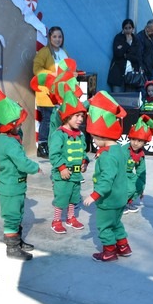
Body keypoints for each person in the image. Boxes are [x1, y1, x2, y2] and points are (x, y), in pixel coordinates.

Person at [0, 85, 42, 260]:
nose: (20, 128)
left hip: (16, 187)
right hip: (10, 188)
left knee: (17, 214)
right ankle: (12, 248)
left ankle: (17, 241)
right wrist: (35, 167)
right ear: (9, 126)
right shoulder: (9, 143)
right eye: (17, 125)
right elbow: (21, 161)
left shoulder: (8, 138)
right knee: (12, 216)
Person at [82, 91, 131, 262]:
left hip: (108, 200)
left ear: (103, 135)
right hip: (120, 198)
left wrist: (95, 195)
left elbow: (107, 179)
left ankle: (109, 251)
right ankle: (124, 247)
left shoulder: (107, 156)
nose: (94, 141)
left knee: (104, 226)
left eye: (95, 137)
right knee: (116, 223)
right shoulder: (118, 149)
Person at [48, 90, 89, 234]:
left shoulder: (80, 135)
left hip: (77, 175)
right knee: (61, 197)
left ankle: (70, 218)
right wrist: (61, 167)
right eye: (77, 116)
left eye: (82, 116)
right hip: (63, 175)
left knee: (74, 197)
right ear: (67, 117)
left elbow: (83, 151)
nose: (80, 119)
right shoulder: (59, 134)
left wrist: (84, 161)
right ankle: (56, 220)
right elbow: (54, 154)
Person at [33, 26, 69, 158]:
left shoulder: (63, 52)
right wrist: (52, 74)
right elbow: (36, 69)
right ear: (49, 37)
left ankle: (54, 145)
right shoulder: (44, 52)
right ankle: (42, 146)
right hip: (47, 93)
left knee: (57, 120)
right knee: (47, 120)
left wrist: (71, 73)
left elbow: (66, 69)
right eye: (54, 37)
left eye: (60, 37)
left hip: (59, 93)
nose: (57, 39)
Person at [123, 115, 153, 213]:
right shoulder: (125, 150)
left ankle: (128, 202)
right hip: (120, 173)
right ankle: (120, 204)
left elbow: (141, 171)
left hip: (128, 173)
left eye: (139, 141)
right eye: (133, 139)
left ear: (145, 143)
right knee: (130, 188)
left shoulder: (141, 154)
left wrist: (142, 188)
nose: (135, 143)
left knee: (139, 185)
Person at [107, 19, 142, 93]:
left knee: (129, 99)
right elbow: (118, 54)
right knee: (117, 99)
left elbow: (138, 57)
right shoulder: (118, 38)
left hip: (131, 75)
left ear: (133, 29)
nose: (128, 30)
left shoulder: (136, 40)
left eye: (130, 28)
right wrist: (127, 43)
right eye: (126, 28)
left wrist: (126, 55)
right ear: (123, 29)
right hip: (118, 73)